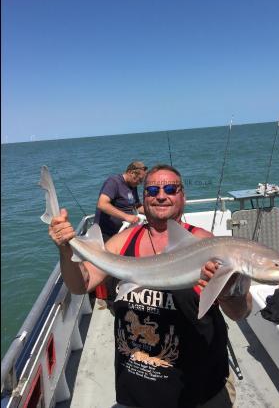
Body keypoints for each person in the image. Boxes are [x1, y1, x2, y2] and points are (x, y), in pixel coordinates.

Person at [49, 164, 252, 408]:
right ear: (143, 200)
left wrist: (229, 288)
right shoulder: (124, 241)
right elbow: (82, 283)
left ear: (183, 196)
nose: (161, 195)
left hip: (199, 389)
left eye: (170, 188)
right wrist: (65, 247)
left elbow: (240, 311)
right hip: (137, 389)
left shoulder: (206, 244)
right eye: (152, 189)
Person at [94, 161, 148, 241]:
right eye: (139, 180)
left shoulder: (133, 185)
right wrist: (126, 216)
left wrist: (151, 213)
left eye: (141, 181)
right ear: (131, 173)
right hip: (107, 233)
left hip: (124, 230)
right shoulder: (113, 182)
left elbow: (137, 206)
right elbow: (102, 204)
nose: (139, 183)